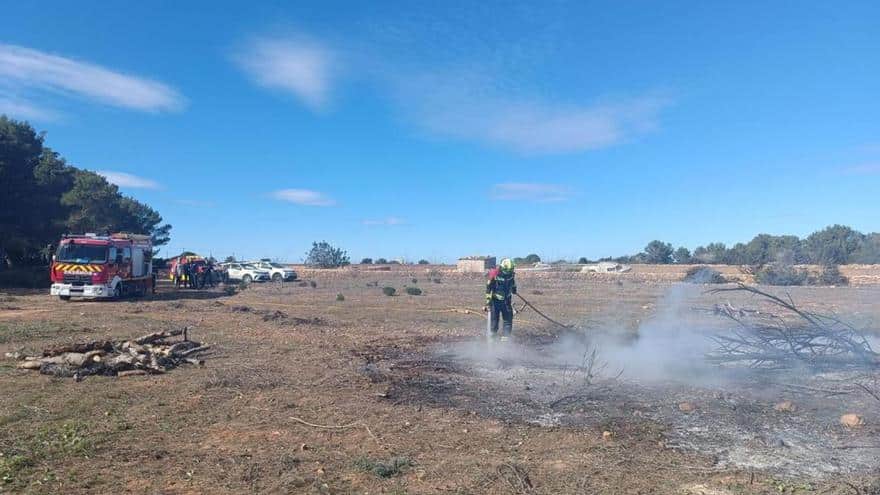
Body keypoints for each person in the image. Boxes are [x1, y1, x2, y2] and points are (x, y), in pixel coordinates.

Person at [485, 258, 517, 341]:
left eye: (510, 270)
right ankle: (492, 341)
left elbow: (512, 282)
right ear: (502, 267)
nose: (509, 272)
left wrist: (514, 289)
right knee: (494, 322)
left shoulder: (511, 274)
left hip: (507, 302)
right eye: (507, 270)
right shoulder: (495, 273)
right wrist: (488, 302)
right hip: (496, 302)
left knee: (508, 321)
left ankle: (505, 343)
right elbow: (488, 289)